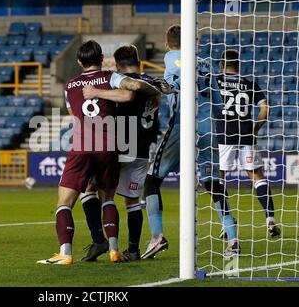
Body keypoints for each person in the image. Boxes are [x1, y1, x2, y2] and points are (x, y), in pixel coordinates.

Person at [37, 40, 161, 265]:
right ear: (102, 59)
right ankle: (113, 249)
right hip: (109, 147)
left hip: (83, 147)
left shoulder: (70, 85)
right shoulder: (109, 77)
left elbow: (74, 115)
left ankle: (65, 253)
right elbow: (129, 93)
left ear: (78, 62)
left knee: (65, 201)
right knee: (109, 198)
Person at [142, 25, 238, 260]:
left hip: (183, 125)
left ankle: (157, 237)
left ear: (167, 43)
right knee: (213, 183)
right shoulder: (205, 63)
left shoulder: (172, 58)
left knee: (151, 181)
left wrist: (168, 88)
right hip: (207, 126)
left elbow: (175, 84)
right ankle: (233, 238)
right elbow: (217, 102)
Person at [78, 45, 168, 262]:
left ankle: (102, 241)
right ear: (138, 60)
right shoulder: (150, 82)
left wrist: (96, 92)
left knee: (91, 191)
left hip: (120, 143)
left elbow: (123, 98)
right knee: (133, 201)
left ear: (117, 64)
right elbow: (157, 96)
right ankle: (133, 249)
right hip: (143, 147)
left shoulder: (118, 81)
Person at [216, 49, 281, 241]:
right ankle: (270, 218)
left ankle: (226, 223)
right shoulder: (250, 84)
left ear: (221, 64)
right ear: (238, 65)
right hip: (246, 135)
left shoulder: (215, 82)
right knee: (257, 176)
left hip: (223, 134)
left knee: (218, 178)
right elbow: (265, 109)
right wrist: (255, 129)